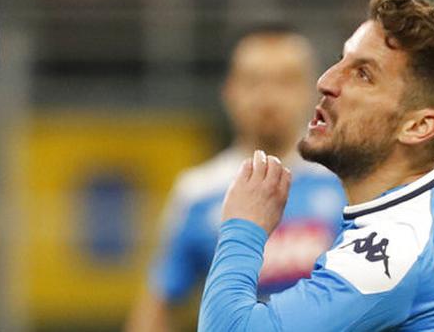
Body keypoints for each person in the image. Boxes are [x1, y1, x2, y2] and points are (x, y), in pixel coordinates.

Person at [199, 0, 434, 331]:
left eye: (363, 75)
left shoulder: (388, 256)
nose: (326, 81)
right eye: (342, 60)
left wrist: (242, 226)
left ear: (418, 125)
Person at [127, 26, 346, 332]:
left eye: (286, 81)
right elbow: (158, 306)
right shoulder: (197, 192)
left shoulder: (346, 180)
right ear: (229, 90)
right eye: (254, 81)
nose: (268, 97)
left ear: (313, 91)